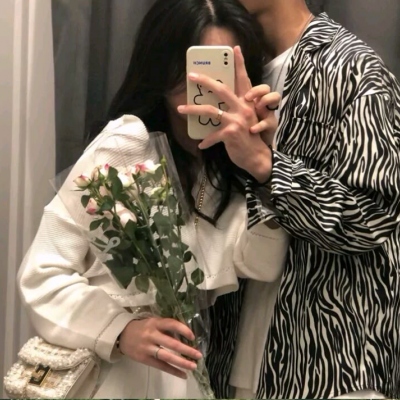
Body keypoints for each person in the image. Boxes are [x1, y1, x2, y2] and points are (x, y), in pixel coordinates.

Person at [17, 0, 289, 398]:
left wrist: (264, 161)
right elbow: (41, 274)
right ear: (163, 68)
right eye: (196, 66)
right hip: (114, 373)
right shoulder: (127, 145)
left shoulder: (231, 167)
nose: (209, 86)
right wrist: (121, 330)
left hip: (186, 376)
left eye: (223, 70)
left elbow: (263, 264)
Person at [181, 0, 400, 398]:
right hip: (230, 358)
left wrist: (267, 165)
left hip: (330, 363)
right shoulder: (230, 67)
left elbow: (372, 218)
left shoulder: (353, 69)